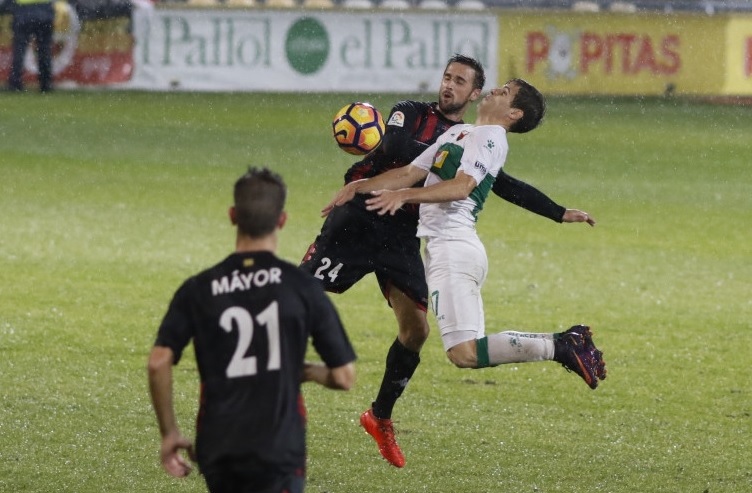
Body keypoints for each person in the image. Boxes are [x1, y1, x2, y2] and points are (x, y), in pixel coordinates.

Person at [300, 55, 594, 468]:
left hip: (424, 240)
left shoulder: (487, 138)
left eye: (463, 82)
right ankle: (283, 376)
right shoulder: (432, 123)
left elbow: (473, 185)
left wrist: (557, 211)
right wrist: (360, 186)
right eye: (447, 77)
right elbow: (407, 167)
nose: (449, 85)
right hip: (362, 228)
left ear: (481, 95)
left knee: (445, 344)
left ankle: (561, 344)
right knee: (298, 295)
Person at [148, 167, 356, 493]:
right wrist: (305, 371)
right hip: (278, 446)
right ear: (282, 220)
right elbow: (344, 377)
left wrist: (170, 432)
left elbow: (158, 362)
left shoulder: (199, 288)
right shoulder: (302, 287)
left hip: (219, 444)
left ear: (233, 216)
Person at [7, 0, 54, 92]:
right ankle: (45, 84)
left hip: (23, 11)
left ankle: (15, 83)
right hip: (45, 10)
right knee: (44, 50)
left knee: (20, 49)